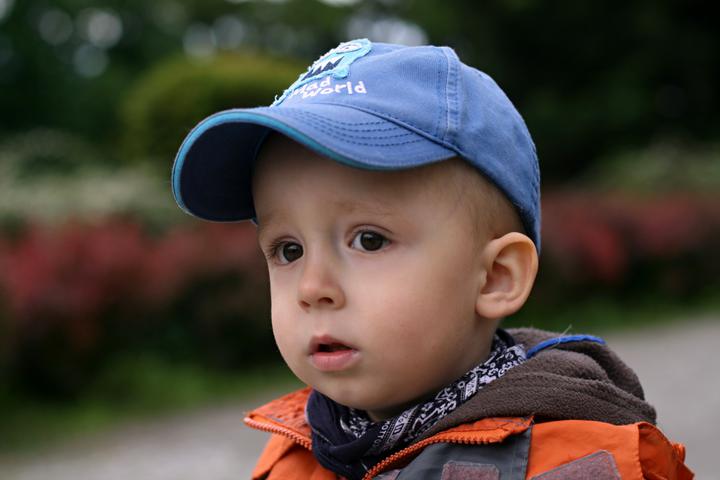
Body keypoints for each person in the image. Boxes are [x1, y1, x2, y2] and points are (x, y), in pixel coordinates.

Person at [171, 39, 693, 479]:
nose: (312, 288)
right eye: (289, 250)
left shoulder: (577, 462)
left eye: (369, 240)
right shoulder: (295, 453)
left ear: (495, 277)